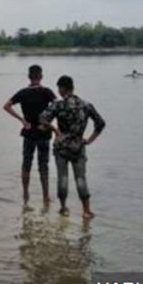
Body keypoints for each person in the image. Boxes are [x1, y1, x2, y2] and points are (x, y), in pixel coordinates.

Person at [40, 75, 106, 220]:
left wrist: (55, 130)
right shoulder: (86, 105)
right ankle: (86, 211)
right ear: (72, 87)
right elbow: (100, 124)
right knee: (81, 179)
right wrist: (89, 140)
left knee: (62, 178)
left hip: (61, 146)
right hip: (78, 146)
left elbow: (42, 118)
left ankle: (64, 208)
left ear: (62, 88)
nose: (58, 91)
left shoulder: (58, 105)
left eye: (59, 88)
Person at [3, 64, 57, 207]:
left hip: (28, 132)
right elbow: (58, 106)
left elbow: (6, 106)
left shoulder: (22, 93)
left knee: (26, 164)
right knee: (43, 165)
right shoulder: (47, 92)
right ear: (41, 77)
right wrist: (48, 122)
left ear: (29, 77)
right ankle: (45, 196)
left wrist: (22, 119)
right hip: (44, 133)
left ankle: (26, 194)